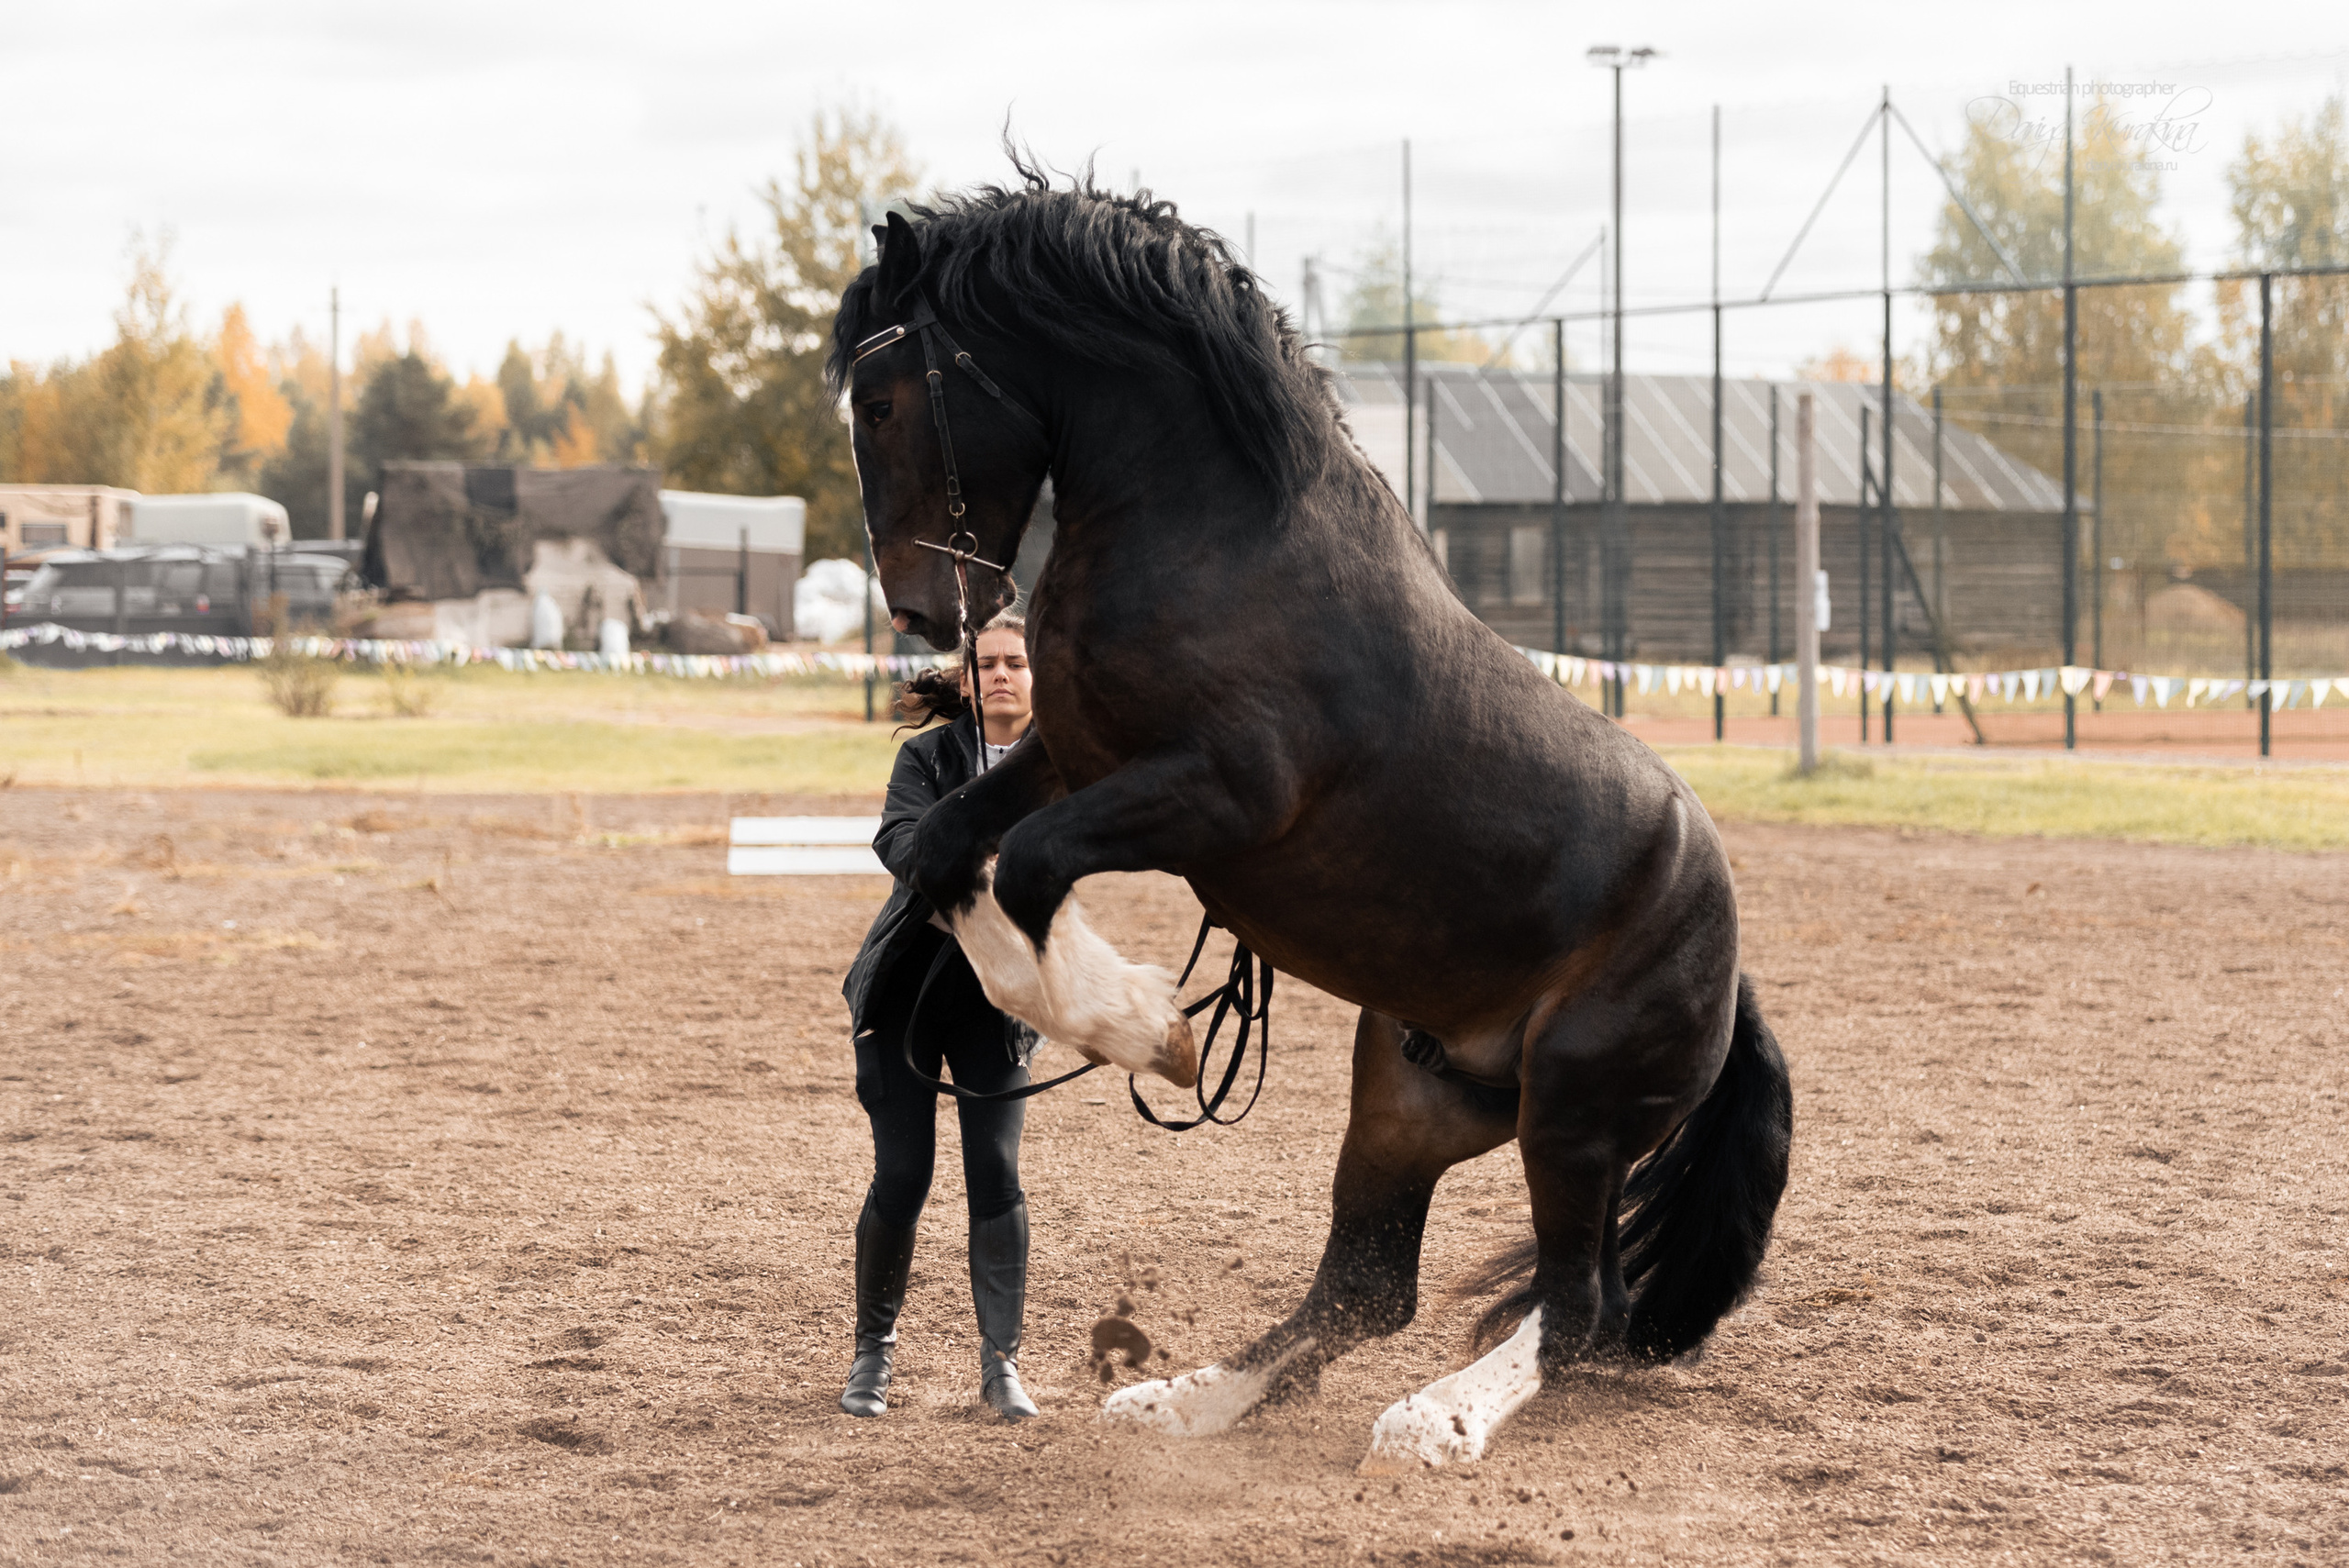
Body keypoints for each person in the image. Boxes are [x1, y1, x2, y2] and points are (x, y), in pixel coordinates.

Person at [837, 608, 1042, 1422]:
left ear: (1038, 676)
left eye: (1016, 663)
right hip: (905, 996)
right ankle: (872, 1355)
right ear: (966, 677)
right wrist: (992, 845)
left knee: (997, 1177)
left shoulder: (1060, 769)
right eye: (986, 662)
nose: (999, 674)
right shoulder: (928, 756)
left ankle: (1002, 1366)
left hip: (1000, 1005)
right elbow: (901, 844)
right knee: (903, 1174)